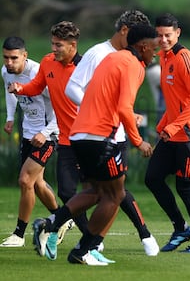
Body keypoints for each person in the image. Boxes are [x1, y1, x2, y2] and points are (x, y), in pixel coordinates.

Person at [30, 24, 157, 266]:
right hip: (100, 137)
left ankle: (51, 223)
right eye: (154, 49)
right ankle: (83, 250)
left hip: (78, 134)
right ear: (143, 47)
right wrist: (138, 141)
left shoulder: (112, 58)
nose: (155, 54)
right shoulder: (134, 65)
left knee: (97, 192)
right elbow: (123, 108)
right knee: (116, 194)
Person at [65, 10, 159, 256]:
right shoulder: (99, 53)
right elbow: (72, 87)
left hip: (112, 133)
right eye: (150, 44)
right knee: (112, 193)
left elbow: (119, 101)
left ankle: (89, 241)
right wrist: (99, 109)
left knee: (109, 192)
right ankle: (88, 244)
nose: (153, 49)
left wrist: (120, 114)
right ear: (128, 32)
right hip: (100, 134)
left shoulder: (124, 58)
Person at [7, 21, 91, 257]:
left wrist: (45, 132)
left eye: (58, 45)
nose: (53, 48)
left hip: (83, 137)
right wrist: (20, 90)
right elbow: (36, 86)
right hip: (64, 139)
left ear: (73, 45)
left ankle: (24, 232)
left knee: (105, 191)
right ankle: (76, 229)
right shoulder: (47, 62)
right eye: (52, 43)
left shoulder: (85, 68)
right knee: (62, 190)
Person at [144, 13, 190, 254]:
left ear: (178, 33)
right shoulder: (164, 57)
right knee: (152, 178)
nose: (163, 39)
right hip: (174, 134)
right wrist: (164, 122)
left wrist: (173, 126)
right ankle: (181, 228)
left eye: (168, 35)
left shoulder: (185, 58)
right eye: (159, 35)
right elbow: (176, 100)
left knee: (186, 189)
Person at [0, 37, 72, 247]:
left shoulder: (41, 74)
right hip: (28, 134)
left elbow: (63, 107)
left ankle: (19, 234)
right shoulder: (7, 71)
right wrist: (10, 117)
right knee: (37, 183)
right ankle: (63, 218)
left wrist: (47, 131)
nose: (9, 62)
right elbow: (10, 92)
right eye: (5, 57)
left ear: (25, 55)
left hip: (48, 134)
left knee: (25, 180)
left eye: (14, 58)